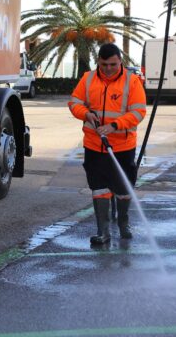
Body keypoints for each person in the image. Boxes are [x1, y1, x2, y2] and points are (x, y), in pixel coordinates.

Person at [68, 43, 147, 246]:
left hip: (122, 146)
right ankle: (102, 231)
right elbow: (74, 102)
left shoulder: (132, 81)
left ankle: (123, 223)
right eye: (104, 65)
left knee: (122, 189)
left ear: (120, 61)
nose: (108, 69)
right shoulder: (88, 79)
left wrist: (114, 125)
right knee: (99, 188)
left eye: (113, 64)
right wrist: (85, 113)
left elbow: (138, 112)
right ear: (98, 62)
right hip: (94, 145)